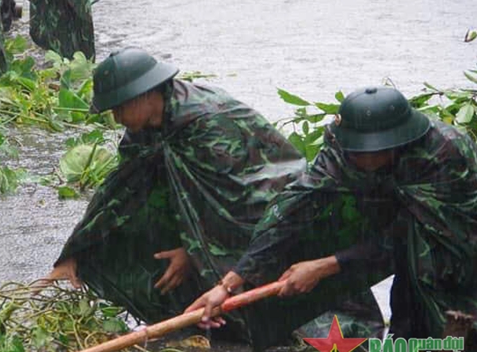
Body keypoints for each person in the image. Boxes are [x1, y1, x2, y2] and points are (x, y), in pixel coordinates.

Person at [188, 86, 477, 352]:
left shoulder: (443, 155)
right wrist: (231, 281)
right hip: (399, 209)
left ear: (394, 143)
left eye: (369, 151)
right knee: (407, 326)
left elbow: (406, 240)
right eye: (354, 149)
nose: (357, 158)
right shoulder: (342, 144)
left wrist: (326, 264)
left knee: (458, 313)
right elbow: (291, 207)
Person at [42, 48, 307, 332]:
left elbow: (232, 205)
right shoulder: (147, 126)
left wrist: (190, 251)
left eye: (119, 108)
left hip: (268, 203)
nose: (117, 118)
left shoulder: (207, 126)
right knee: (132, 227)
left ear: (144, 94)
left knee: (256, 314)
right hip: (209, 213)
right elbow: (120, 190)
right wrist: (74, 253)